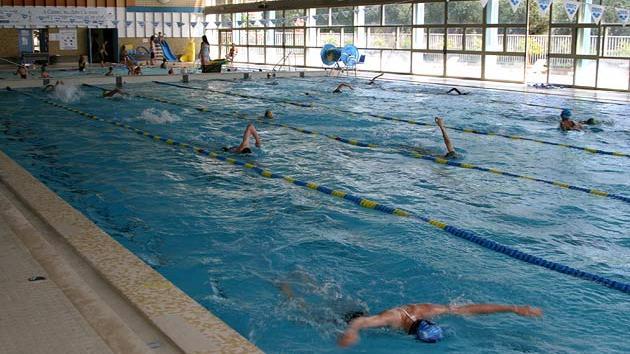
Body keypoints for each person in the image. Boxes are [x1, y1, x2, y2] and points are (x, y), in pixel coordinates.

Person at [338, 302, 542, 347]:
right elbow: (360, 321)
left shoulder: (429, 311)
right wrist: (351, 332)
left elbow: (472, 308)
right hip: (353, 317)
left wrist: (513, 308)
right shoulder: (393, 319)